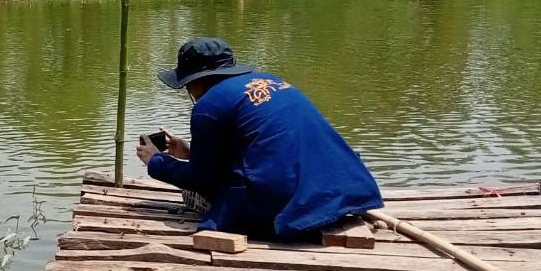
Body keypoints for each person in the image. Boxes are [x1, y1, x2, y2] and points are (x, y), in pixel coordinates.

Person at [136, 37, 382, 241]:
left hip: (290, 203)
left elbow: (203, 179)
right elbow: (265, 145)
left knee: (202, 196)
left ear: (195, 81)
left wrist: (156, 162)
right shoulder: (273, 81)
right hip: (344, 187)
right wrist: (190, 153)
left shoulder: (208, 106)